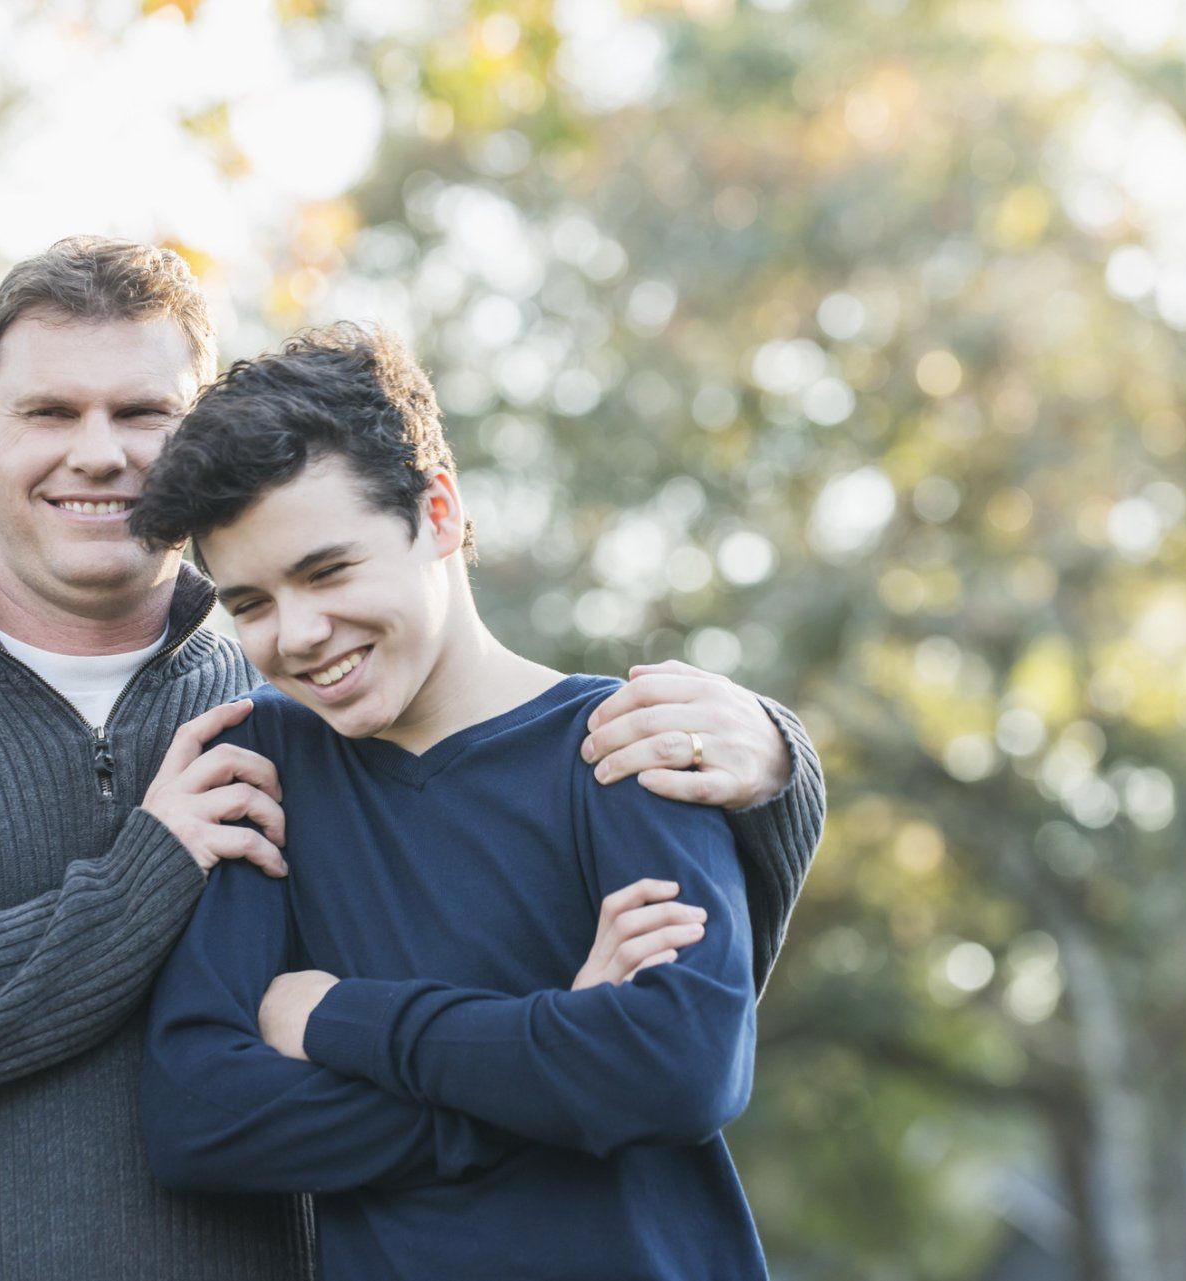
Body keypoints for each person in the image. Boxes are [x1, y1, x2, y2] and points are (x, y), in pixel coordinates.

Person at [0, 238, 824, 1280]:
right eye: (51, 412)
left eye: (144, 412)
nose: (100, 452)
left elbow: (678, 1014)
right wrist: (144, 880)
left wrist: (780, 765)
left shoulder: (289, 710)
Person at [134, 323, 777, 1279]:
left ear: (437, 512)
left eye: (327, 570)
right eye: (252, 603)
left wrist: (340, 1019)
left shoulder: (627, 741)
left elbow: (678, 1070)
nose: (300, 634)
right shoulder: (263, 767)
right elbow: (200, 1118)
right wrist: (555, 1049)